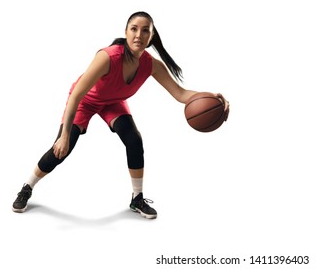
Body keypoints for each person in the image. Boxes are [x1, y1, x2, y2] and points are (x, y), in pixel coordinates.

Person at [12, 11, 229, 219]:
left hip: (112, 102)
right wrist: (65, 135)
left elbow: (181, 94)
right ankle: (27, 187)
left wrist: (212, 97)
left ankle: (137, 198)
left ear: (151, 36)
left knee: (134, 140)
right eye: (134, 29)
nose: (139, 35)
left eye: (145, 30)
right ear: (126, 32)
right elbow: (77, 95)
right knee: (61, 149)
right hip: (85, 101)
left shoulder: (151, 65)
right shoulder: (108, 57)